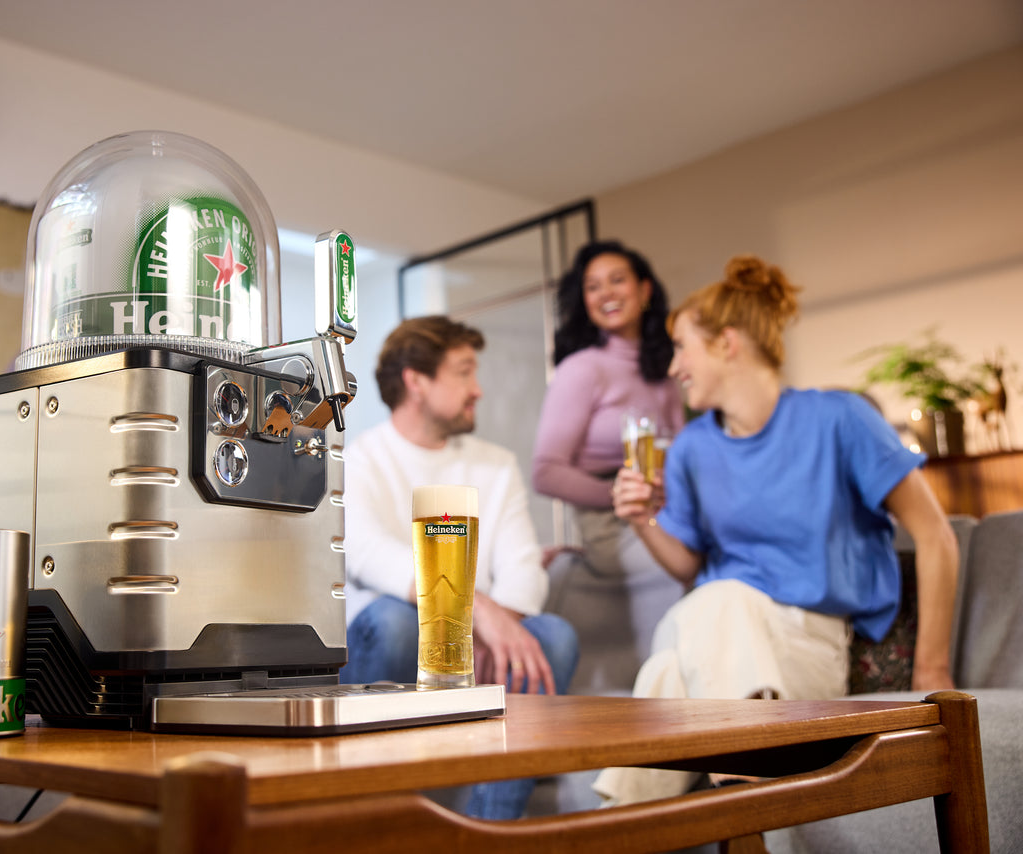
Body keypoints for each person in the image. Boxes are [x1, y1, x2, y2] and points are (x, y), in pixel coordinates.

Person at [594, 255, 959, 805]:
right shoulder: (693, 446)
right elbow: (687, 565)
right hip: (717, 633)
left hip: (806, 645)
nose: (673, 368)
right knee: (714, 607)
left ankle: (622, 824)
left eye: (681, 348)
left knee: (671, 669)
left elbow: (935, 536)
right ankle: (747, 794)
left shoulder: (839, 419)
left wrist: (933, 668)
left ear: (727, 343)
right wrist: (641, 518)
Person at [341, 314, 579, 819]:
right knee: (396, 624)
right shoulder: (360, 459)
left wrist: (490, 624)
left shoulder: (496, 465)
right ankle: (368, 825)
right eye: (465, 372)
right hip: (398, 635)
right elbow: (367, 553)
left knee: (554, 635)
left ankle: (489, 831)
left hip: (472, 644)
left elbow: (523, 568)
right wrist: (479, 613)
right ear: (416, 381)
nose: (479, 390)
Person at [531, 240, 685, 690]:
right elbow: (546, 471)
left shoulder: (667, 371)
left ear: (645, 290)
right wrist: (622, 497)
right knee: (682, 566)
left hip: (664, 511)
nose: (605, 293)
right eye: (592, 286)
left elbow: (683, 454)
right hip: (610, 521)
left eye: (617, 280)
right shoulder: (582, 368)